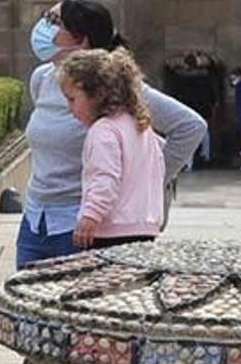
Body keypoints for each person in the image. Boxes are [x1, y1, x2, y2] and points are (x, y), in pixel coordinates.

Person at [18, 0, 206, 269]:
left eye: (53, 20)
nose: (43, 26)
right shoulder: (42, 79)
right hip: (35, 217)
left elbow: (190, 126)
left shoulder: (116, 88)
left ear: (80, 39)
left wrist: (150, 178)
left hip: (82, 224)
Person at [59, 49, 165, 249]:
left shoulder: (103, 130)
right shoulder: (141, 126)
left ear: (97, 95)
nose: (69, 108)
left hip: (111, 231)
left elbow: (105, 178)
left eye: (72, 99)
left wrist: (90, 215)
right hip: (145, 227)